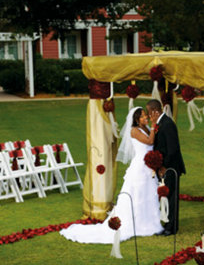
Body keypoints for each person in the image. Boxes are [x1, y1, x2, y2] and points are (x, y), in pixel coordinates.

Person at [60, 107, 163, 244]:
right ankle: (135, 223)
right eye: (143, 116)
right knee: (137, 193)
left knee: (147, 193)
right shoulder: (135, 131)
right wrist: (154, 126)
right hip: (140, 167)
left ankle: (149, 222)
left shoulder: (145, 128)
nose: (146, 118)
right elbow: (150, 141)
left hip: (148, 166)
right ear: (137, 120)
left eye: (145, 115)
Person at [146, 99, 186, 236]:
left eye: (149, 112)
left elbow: (173, 149)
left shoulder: (167, 124)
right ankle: (167, 224)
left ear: (155, 112)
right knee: (166, 197)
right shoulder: (161, 123)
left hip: (171, 168)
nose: (149, 115)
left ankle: (172, 227)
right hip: (164, 167)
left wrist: (164, 167)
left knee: (172, 198)